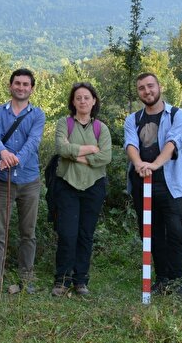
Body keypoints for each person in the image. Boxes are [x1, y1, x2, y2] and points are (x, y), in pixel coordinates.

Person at [124, 72, 182, 294]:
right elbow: (130, 144)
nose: (147, 91)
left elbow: (174, 142)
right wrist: (140, 164)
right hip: (142, 182)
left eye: (150, 86)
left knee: (176, 231)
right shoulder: (133, 118)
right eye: (142, 88)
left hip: (171, 183)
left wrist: (154, 165)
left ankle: (176, 278)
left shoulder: (177, 114)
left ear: (159, 86)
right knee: (150, 233)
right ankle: (161, 278)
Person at [0, 68, 46, 296]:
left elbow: (34, 141)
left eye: (25, 84)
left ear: (31, 88)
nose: (21, 87)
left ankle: (26, 278)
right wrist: (3, 154)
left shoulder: (38, 115)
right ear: (10, 86)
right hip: (2, 180)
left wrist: (14, 159)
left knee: (28, 232)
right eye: (17, 83)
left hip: (29, 180)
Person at [51, 82, 112, 296]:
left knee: (86, 234)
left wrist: (76, 156)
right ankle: (62, 279)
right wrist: (89, 150)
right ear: (73, 101)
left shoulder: (100, 128)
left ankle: (81, 280)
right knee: (67, 233)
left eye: (87, 97)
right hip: (67, 185)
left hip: (94, 187)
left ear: (94, 100)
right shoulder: (64, 123)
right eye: (78, 98)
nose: (83, 101)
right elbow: (61, 148)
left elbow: (106, 156)